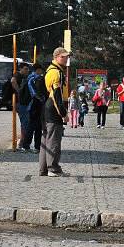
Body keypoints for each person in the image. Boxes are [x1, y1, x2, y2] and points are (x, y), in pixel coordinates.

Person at [39, 47, 70, 177]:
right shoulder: (55, 73)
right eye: (64, 56)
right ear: (57, 57)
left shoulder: (53, 70)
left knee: (46, 139)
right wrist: (63, 114)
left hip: (48, 108)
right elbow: (57, 96)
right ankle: (53, 169)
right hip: (53, 108)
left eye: (67, 56)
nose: (67, 58)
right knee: (53, 140)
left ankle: (44, 169)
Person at [21, 63, 45, 153]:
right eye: (40, 70)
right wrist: (42, 99)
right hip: (35, 104)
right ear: (38, 70)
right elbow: (35, 93)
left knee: (31, 126)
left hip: (30, 105)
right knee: (37, 126)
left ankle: (26, 145)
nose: (41, 71)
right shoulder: (36, 78)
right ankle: (36, 147)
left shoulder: (29, 77)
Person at [12, 63, 30, 150]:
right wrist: (19, 91)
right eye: (26, 69)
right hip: (21, 103)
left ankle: (22, 143)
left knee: (26, 124)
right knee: (25, 124)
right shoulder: (18, 75)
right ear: (21, 69)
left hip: (23, 103)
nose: (27, 70)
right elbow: (13, 80)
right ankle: (21, 144)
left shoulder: (23, 77)